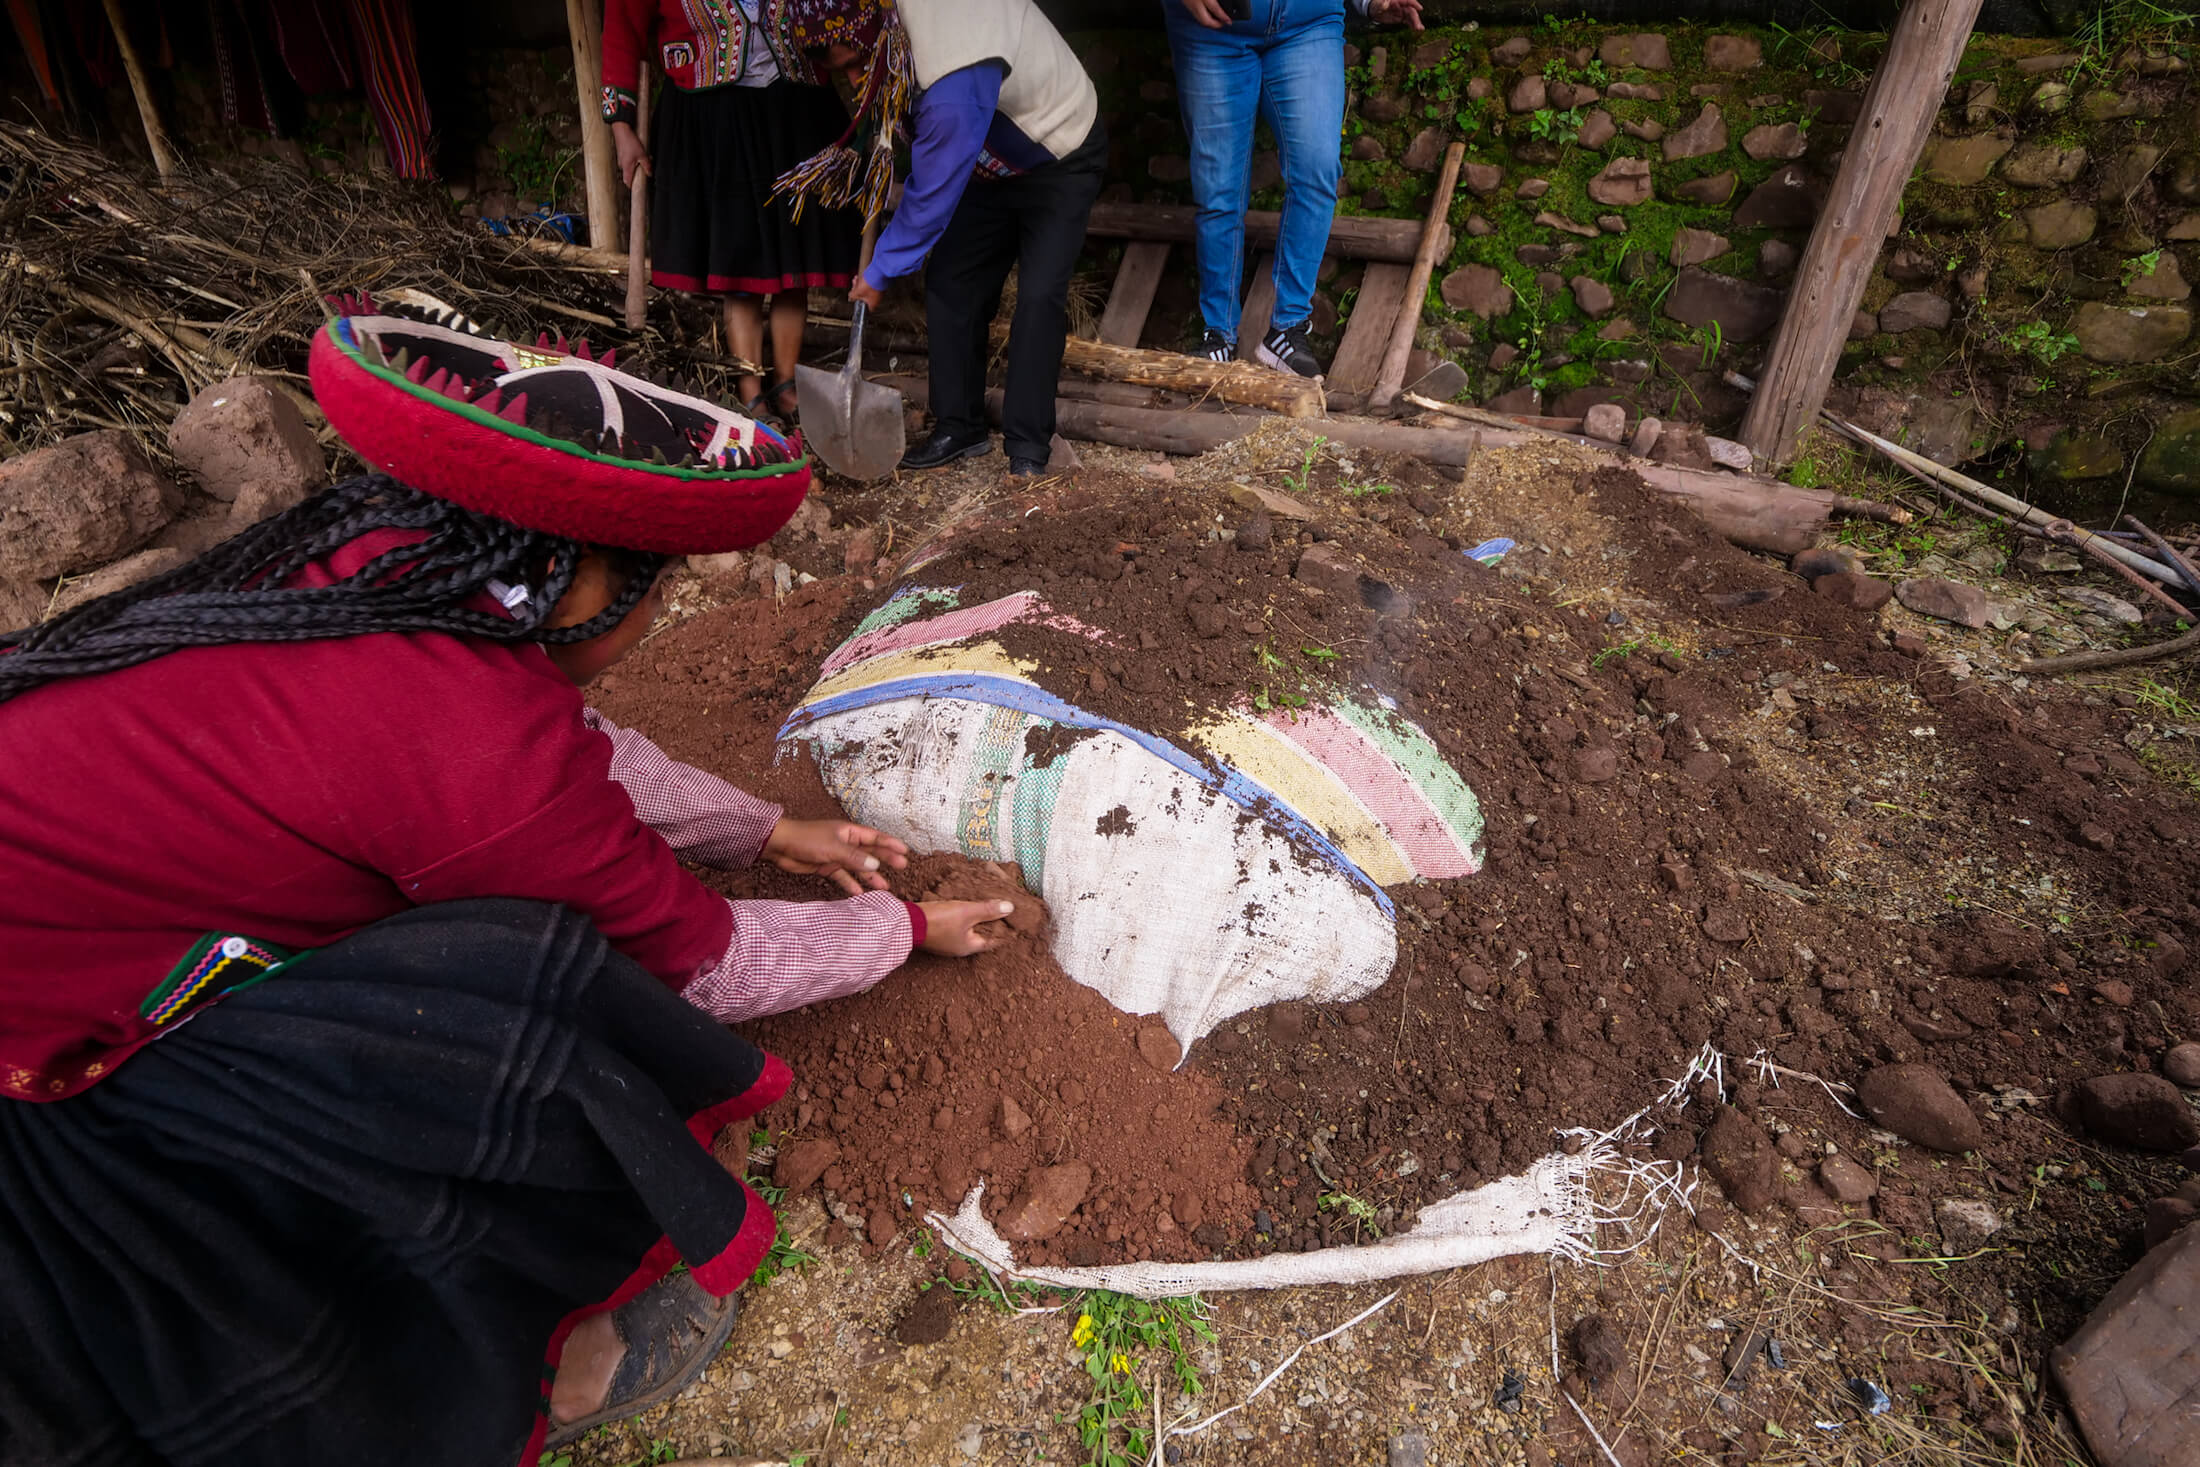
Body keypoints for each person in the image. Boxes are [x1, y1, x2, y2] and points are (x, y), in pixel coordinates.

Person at [0, 300, 1011, 1467]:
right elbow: (698, 960)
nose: (656, 612)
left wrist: (768, 828)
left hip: (56, 937)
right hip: (56, 1055)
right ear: (581, 583)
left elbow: (565, 738)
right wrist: (901, 927)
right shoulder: (468, 745)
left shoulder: (375, 568)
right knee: (513, 986)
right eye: (657, 588)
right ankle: (554, 1361)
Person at [777, 0, 1105, 478]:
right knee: (953, 284)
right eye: (841, 71)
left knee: (1038, 297)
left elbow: (931, 194)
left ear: (876, 38)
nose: (852, 82)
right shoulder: (884, 28)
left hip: (1058, 150)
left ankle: (1028, 444)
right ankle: (960, 426)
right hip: (984, 165)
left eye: (855, 66)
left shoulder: (953, 66)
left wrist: (879, 271)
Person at [602, 0, 861, 421]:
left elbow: (839, 13)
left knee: (792, 258)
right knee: (740, 262)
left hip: (794, 109)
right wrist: (621, 128)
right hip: (714, 116)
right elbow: (621, 28)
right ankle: (750, 390)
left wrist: (861, 69)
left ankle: (787, 383)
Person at [1166, 0, 1424, 376]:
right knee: (1218, 190)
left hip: (1308, 22)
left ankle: (1288, 328)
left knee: (1317, 168)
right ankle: (1218, 335)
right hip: (1212, 30)